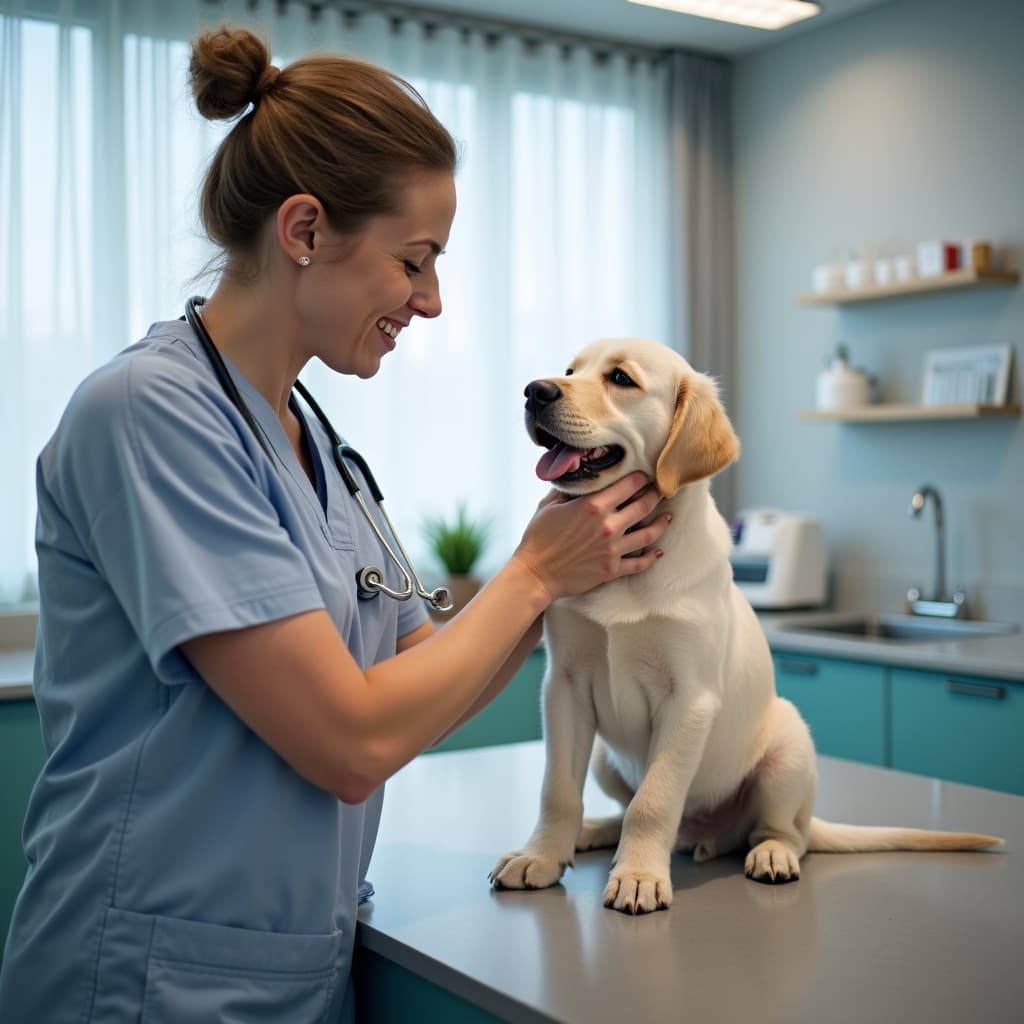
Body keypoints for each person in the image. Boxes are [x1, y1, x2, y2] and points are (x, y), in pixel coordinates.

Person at [0, 25, 670, 1023]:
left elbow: (421, 679)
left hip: (294, 969)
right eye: (415, 261)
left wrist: (583, 566)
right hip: (146, 978)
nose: (433, 301)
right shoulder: (147, 417)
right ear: (305, 230)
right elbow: (352, 739)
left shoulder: (312, 435)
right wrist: (534, 574)